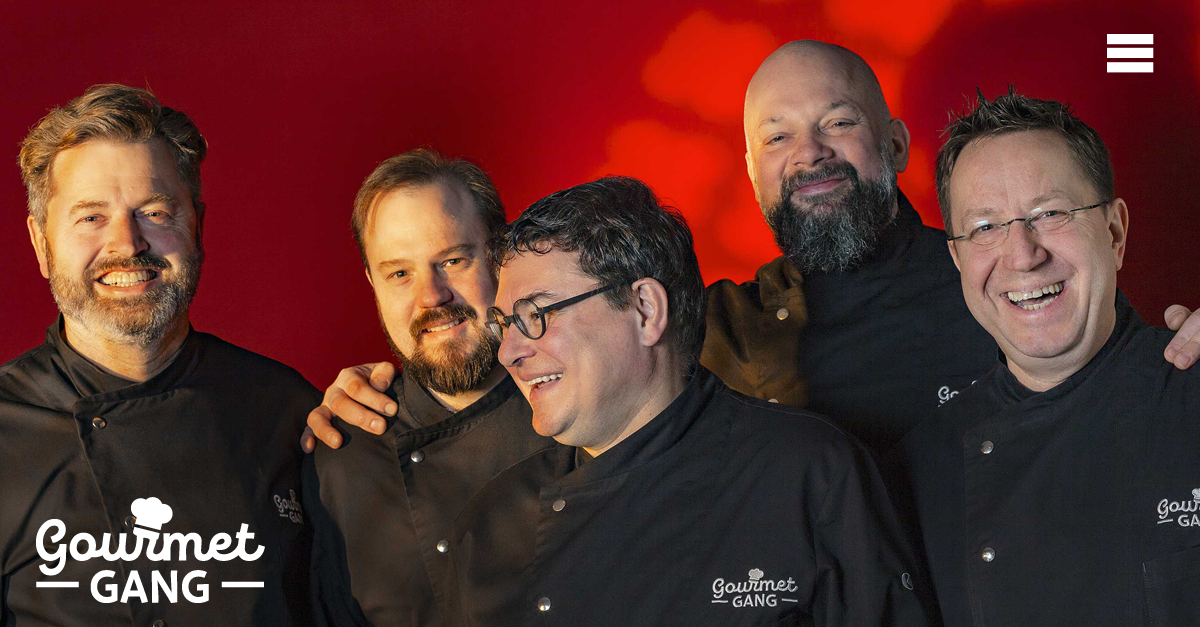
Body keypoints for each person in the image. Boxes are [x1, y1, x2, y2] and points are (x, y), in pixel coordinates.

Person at [307, 40, 1200, 460]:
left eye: (837, 124)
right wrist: (398, 397)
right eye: (777, 137)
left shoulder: (996, 277)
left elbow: (1127, 378)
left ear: (894, 144)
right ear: (752, 171)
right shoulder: (715, 327)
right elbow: (563, 386)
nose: (808, 155)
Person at [450, 176, 934, 625]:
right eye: (505, 324)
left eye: (536, 315)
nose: (509, 352)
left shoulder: (813, 474)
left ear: (645, 310)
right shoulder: (492, 525)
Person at [1, 84, 318, 625]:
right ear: (40, 243)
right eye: (90, 218)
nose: (128, 244)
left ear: (197, 227)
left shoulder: (289, 412)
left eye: (153, 212)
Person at [895, 89, 1200, 626]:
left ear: (1115, 232)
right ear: (957, 259)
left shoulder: (1191, 389)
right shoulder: (919, 469)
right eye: (985, 228)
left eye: (1050, 213)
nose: (1023, 255)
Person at [302, 149, 557, 626]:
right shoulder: (343, 457)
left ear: (501, 256)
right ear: (373, 284)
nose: (431, 296)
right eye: (399, 274)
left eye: (453, 260)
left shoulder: (582, 409)